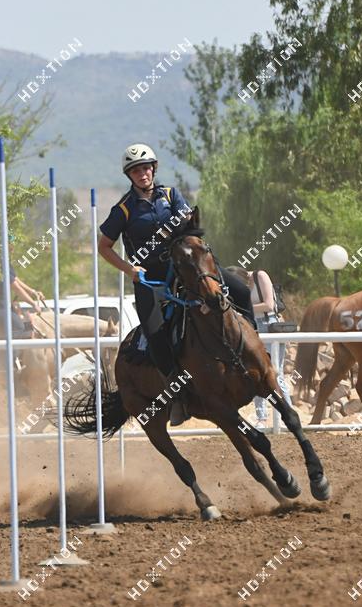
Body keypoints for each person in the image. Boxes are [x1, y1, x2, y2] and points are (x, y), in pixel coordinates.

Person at [98, 143, 256, 426]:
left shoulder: (171, 195)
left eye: (146, 168)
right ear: (129, 175)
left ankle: (253, 353)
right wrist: (130, 269)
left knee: (242, 291)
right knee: (156, 335)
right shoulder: (123, 209)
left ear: (153, 168)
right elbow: (104, 246)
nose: (142, 174)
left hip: (185, 270)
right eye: (135, 170)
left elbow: (187, 223)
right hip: (150, 281)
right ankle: (178, 397)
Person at [227, 265, 291, 426]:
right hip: (251, 325)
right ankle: (261, 417)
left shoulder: (260, 276)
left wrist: (243, 307)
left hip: (269, 324)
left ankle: (287, 413)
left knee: (276, 372)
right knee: (254, 373)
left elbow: (269, 304)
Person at [0, 267, 46, 338]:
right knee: (18, 327)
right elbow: (16, 288)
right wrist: (33, 304)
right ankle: (5, 345)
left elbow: (15, 279)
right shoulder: (0, 265)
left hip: (0, 305)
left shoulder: (4, 263)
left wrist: (32, 291)